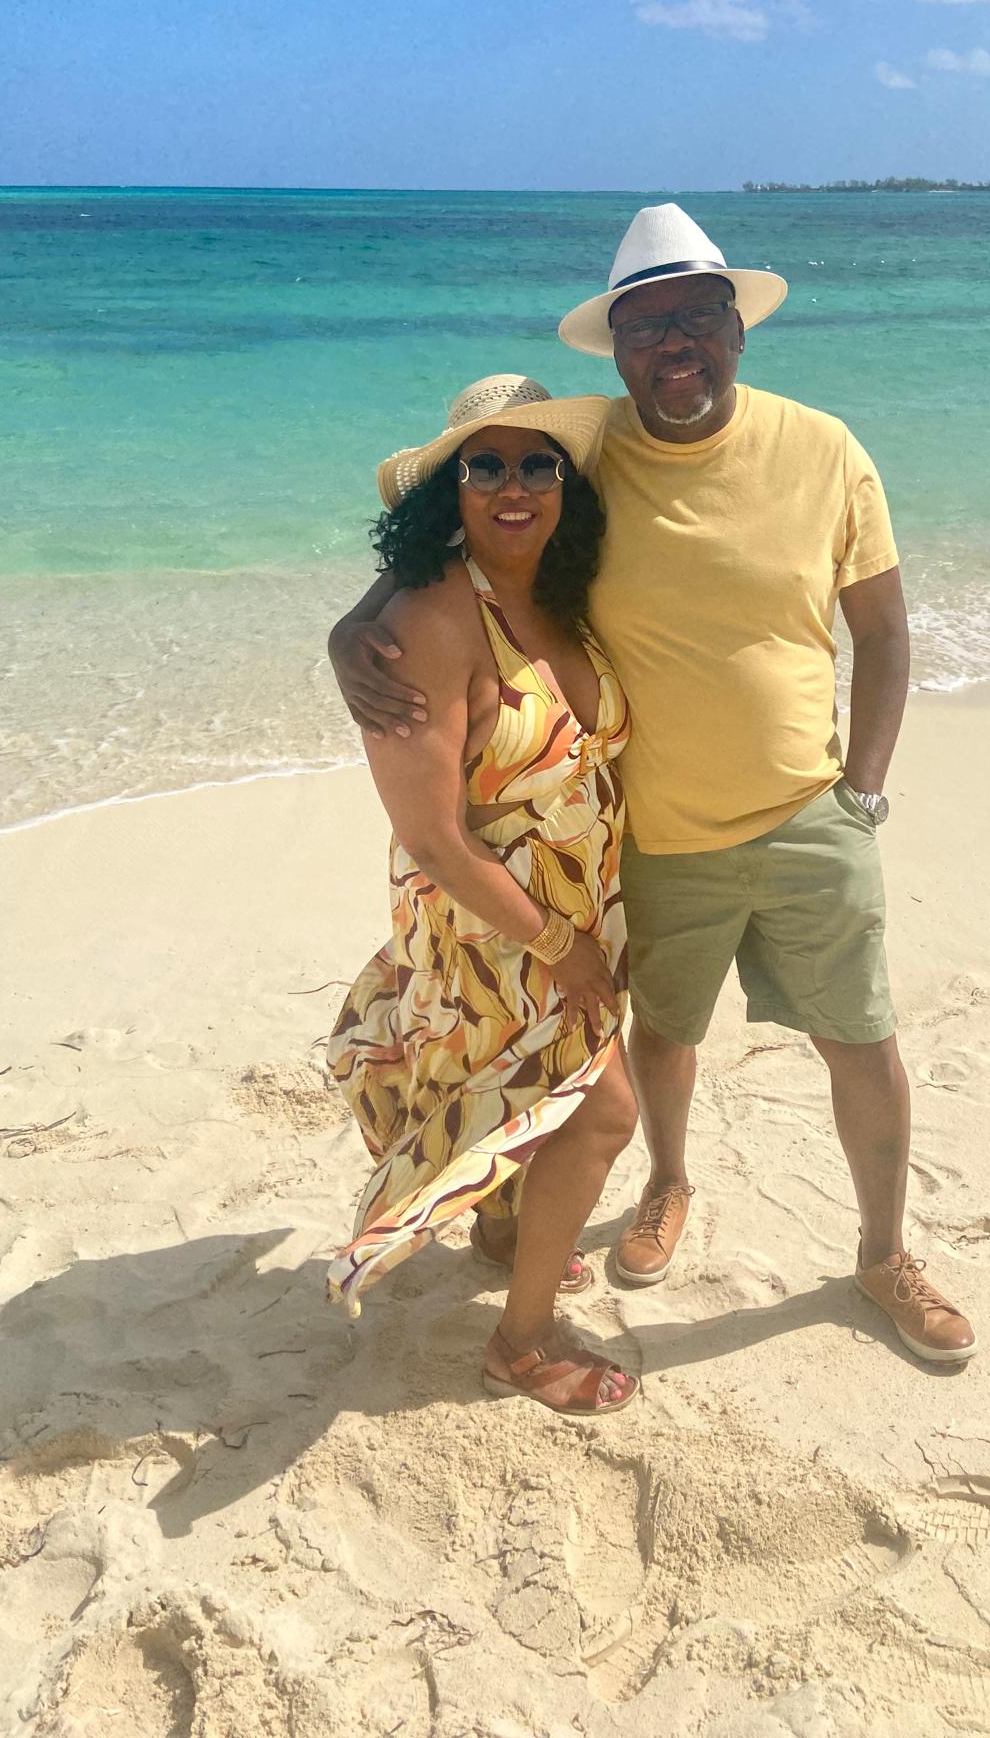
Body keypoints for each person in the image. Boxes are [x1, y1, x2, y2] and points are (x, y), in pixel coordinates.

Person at [331, 208, 978, 1365]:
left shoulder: (822, 448)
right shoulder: (593, 461)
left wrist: (865, 792)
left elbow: (882, 632)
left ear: (739, 328)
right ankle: (666, 1187)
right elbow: (452, 554)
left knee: (862, 1040)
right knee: (663, 1042)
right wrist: (351, 632)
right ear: (619, 351)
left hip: (807, 813)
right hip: (652, 846)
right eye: (645, 326)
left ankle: (885, 1256)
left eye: (696, 316)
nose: (673, 342)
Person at [327, 374, 639, 1416]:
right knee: (602, 1116)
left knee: (530, 1092)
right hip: (492, 931)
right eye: (485, 467)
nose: (514, 486)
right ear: (449, 492)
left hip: (574, 912)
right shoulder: (427, 621)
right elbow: (433, 838)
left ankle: (507, 1233)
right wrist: (560, 943)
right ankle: (521, 1343)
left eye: (537, 464)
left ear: (566, 485)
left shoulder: (564, 590)